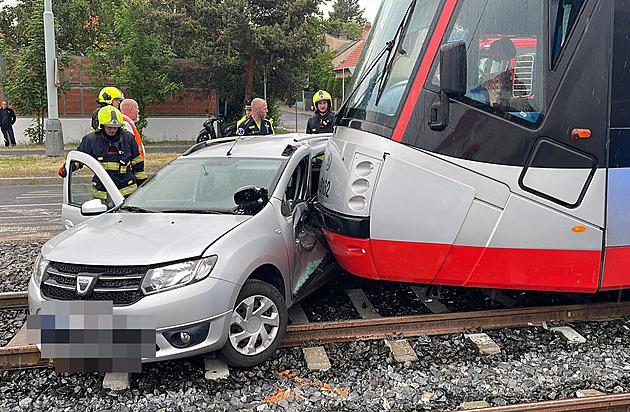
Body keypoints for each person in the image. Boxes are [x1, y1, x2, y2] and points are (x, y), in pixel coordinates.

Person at [60, 106, 147, 199]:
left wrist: (143, 187)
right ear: (101, 125)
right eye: (109, 127)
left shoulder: (128, 138)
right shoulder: (91, 140)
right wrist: (67, 168)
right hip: (102, 194)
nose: (113, 130)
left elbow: (138, 165)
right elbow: (80, 158)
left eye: (115, 127)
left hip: (127, 192)